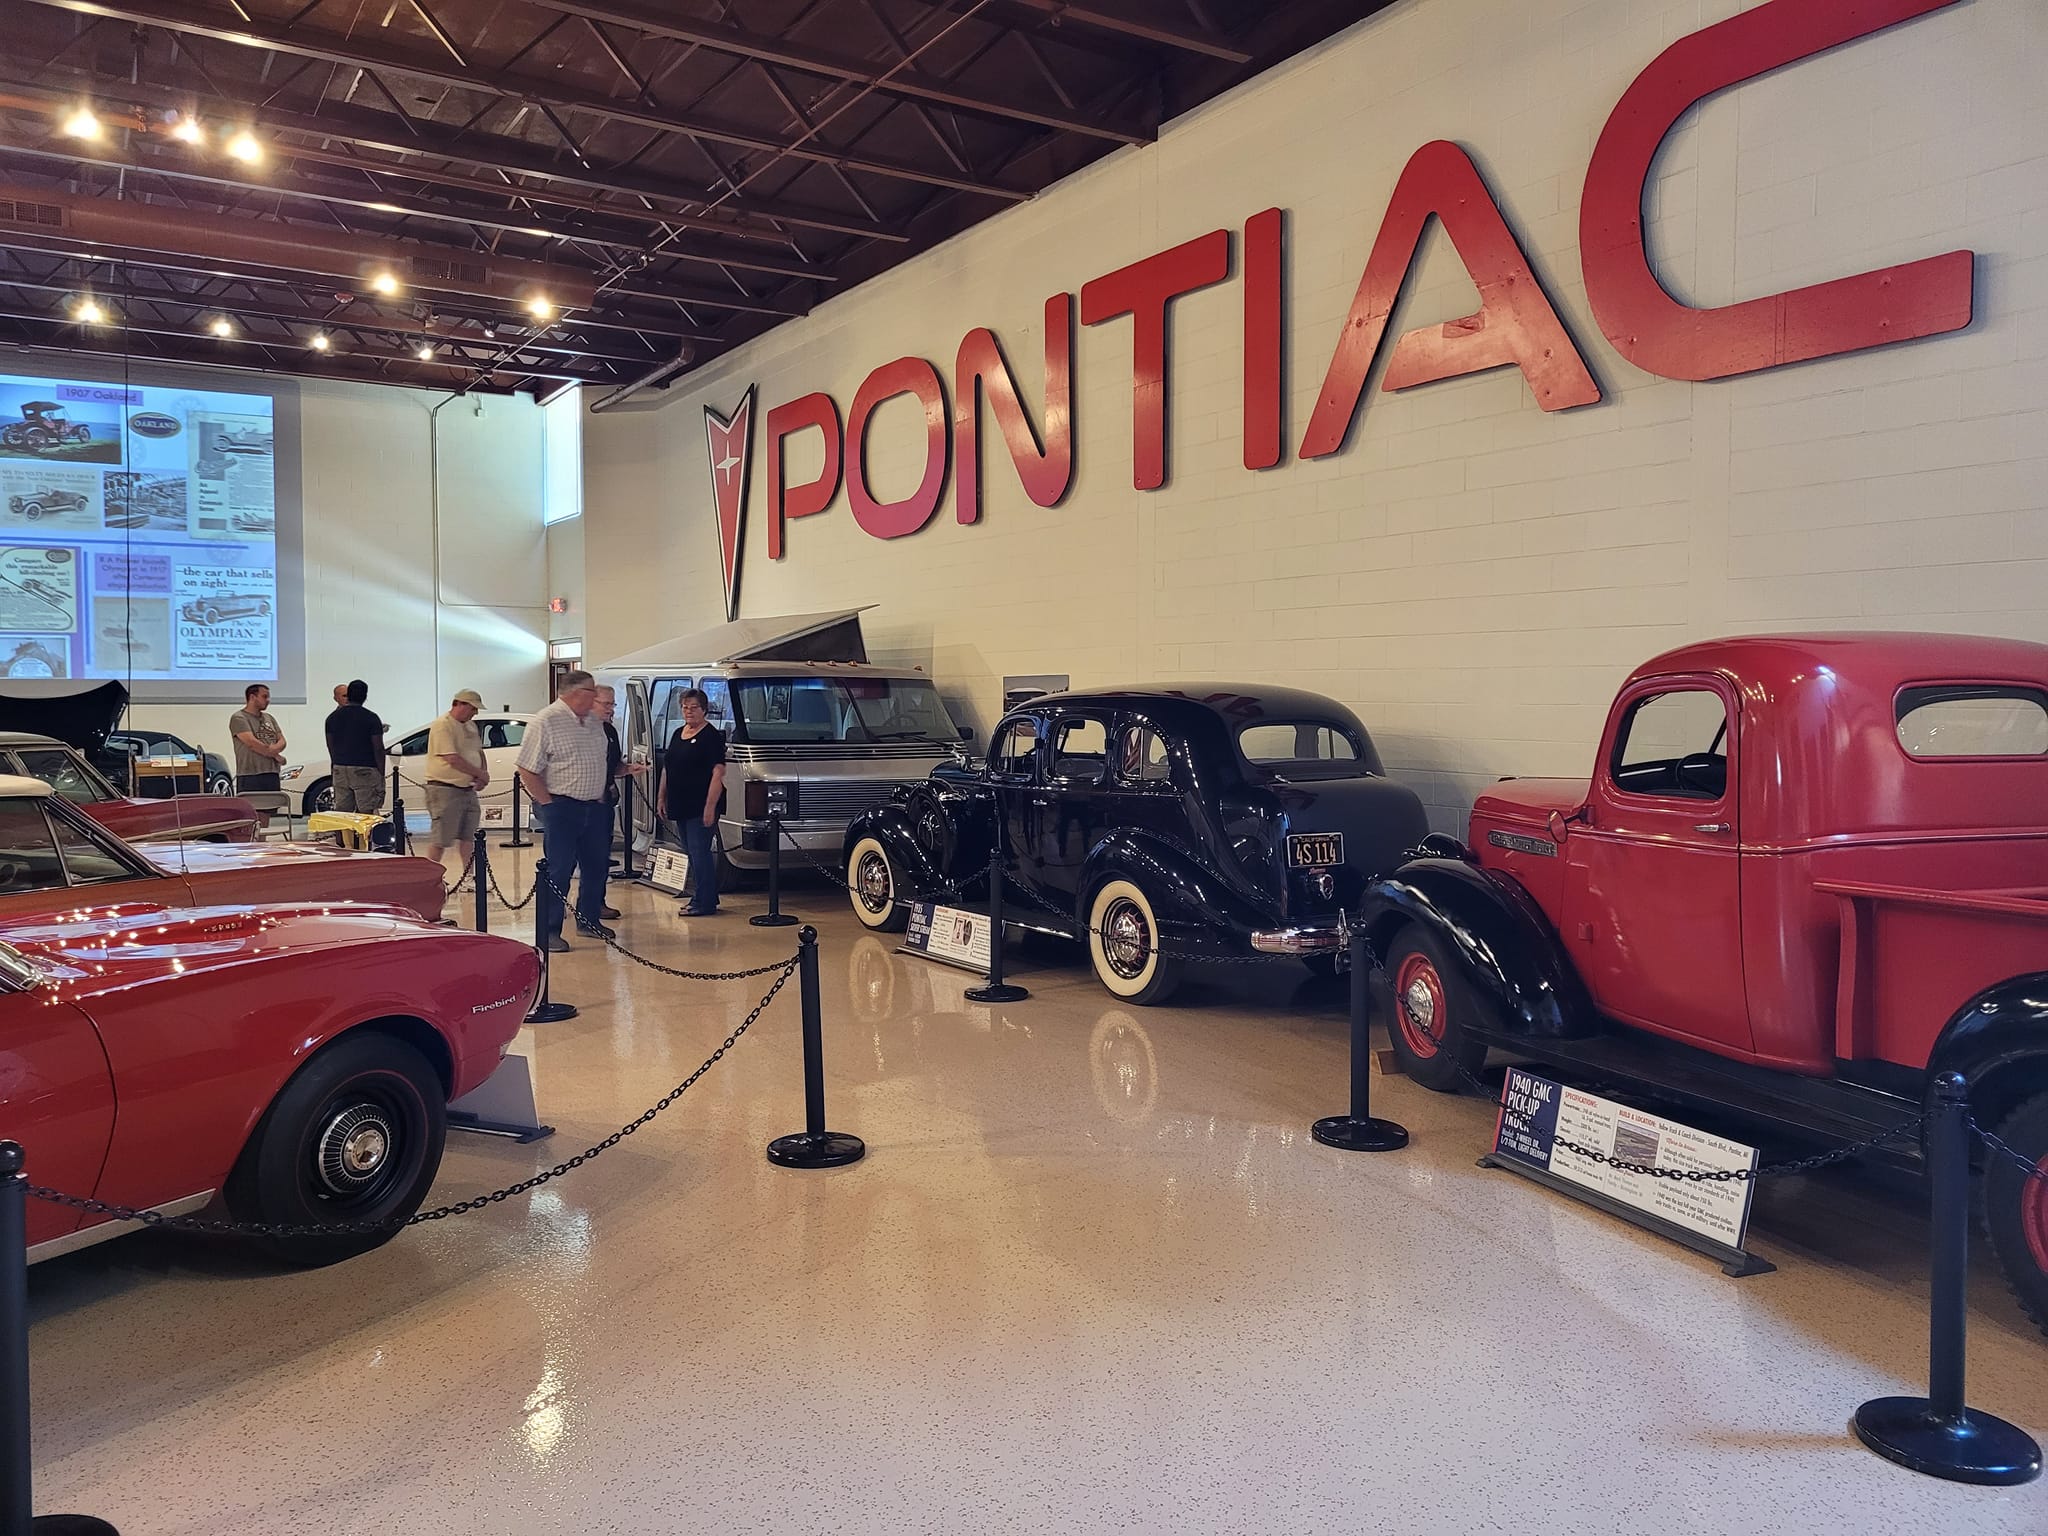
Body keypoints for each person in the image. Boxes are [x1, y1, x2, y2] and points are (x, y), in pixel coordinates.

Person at [515, 670, 611, 952]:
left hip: (594, 807)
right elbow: (527, 768)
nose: (596, 697)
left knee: (596, 867)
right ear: (577, 693)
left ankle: (589, 920)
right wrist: (548, 805)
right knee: (559, 869)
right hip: (561, 806)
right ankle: (549, 930)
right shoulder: (545, 721)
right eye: (592, 692)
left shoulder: (594, 723)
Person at [661, 687, 726, 918]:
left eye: (694, 707)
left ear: (705, 709)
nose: (689, 711)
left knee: (700, 853)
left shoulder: (711, 737)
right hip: (681, 802)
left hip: (701, 804)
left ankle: (705, 901)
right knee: (691, 851)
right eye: (685, 707)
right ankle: (702, 895)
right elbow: (668, 767)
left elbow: (718, 773)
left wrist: (710, 807)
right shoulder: (678, 732)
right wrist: (662, 796)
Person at [593, 685, 649, 920]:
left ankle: (596, 902)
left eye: (612, 704)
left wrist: (627, 769)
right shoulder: (581, 730)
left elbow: (613, 765)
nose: (610, 709)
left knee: (599, 857)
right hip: (579, 804)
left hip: (604, 804)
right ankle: (559, 903)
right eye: (606, 704)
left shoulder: (610, 732)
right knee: (567, 860)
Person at [425, 688, 487, 876]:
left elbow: (479, 751)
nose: (474, 713)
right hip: (445, 789)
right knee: (440, 839)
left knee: (468, 837)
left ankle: (469, 877)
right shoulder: (442, 725)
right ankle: (429, 877)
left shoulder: (470, 726)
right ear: (458, 704)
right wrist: (478, 773)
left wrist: (483, 773)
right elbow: (452, 758)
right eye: (472, 708)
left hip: (467, 789)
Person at [325, 679, 387, 814]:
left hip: (340, 768)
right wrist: (381, 771)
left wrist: (335, 764)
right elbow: (378, 748)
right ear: (365, 696)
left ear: (349, 695)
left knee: (342, 813)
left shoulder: (332, 718)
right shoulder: (371, 718)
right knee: (366, 813)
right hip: (365, 769)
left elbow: (330, 746)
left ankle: (342, 836)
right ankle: (364, 836)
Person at [229, 683, 286, 792]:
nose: (268, 700)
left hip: (272, 773)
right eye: (264, 696)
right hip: (250, 774)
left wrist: (274, 751)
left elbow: (282, 741)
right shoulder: (239, 718)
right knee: (253, 807)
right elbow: (251, 743)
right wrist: (276, 755)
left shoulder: (269, 718)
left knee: (272, 806)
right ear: (252, 697)